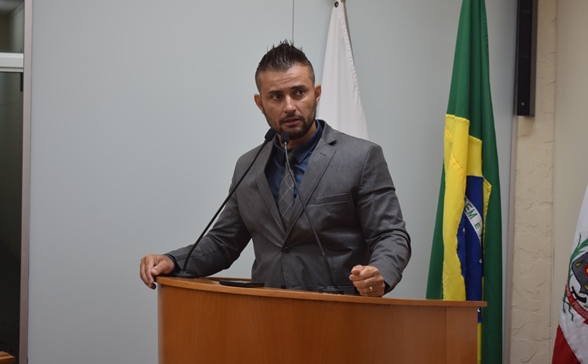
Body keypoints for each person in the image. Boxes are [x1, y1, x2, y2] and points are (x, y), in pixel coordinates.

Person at [139, 41, 411, 297]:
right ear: (260, 103)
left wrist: (380, 274)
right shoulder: (248, 166)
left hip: (338, 320)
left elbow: (391, 235)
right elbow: (223, 243)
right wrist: (172, 260)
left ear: (316, 94)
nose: (289, 106)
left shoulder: (361, 157)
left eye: (299, 93)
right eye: (276, 97)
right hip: (266, 321)